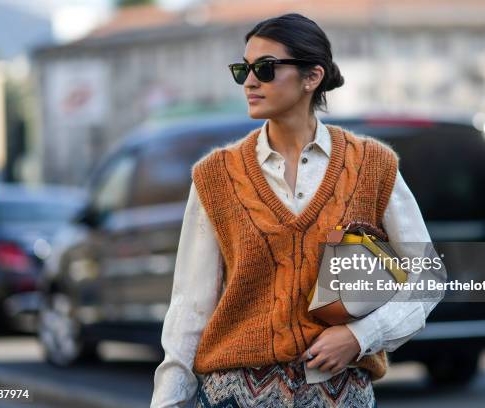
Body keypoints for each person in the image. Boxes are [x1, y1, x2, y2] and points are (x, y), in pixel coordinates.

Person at [150, 13, 443, 408]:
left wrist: (360, 336)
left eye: (265, 69)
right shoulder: (215, 175)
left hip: (340, 395)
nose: (250, 82)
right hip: (233, 397)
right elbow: (190, 306)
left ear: (312, 77)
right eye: (244, 70)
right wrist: (166, 401)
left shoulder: (372, 164)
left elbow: (427, 279)